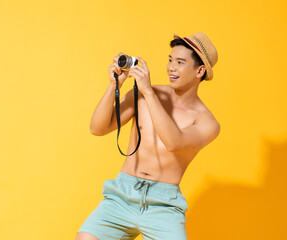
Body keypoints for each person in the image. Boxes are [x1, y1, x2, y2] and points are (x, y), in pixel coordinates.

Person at [76, 32, 220, 240]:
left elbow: (174, 142)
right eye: (170, 60)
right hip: (122, 195)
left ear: (199, 70)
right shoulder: (143, 94)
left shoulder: (207, 122)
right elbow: (97, 128)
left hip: (163, 205)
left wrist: (149, 93)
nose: (171, 67)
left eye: (180, 62)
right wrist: (113, 85)